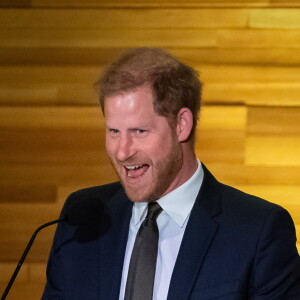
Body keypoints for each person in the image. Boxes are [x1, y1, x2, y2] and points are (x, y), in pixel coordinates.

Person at [42, 48, 300, 299]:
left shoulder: (258, 230)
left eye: (139, 131)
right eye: (114, 132)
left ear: (182, 125)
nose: (122, 152)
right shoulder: (82, 218)